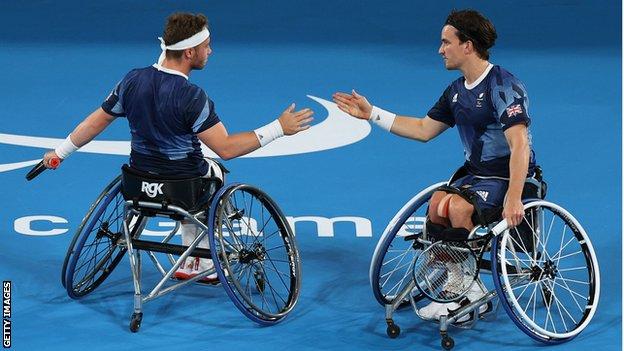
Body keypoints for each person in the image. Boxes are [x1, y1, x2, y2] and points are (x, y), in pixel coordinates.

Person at [42, 12, 314, 283]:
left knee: (197, 170)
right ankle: (200, 259)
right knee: (216, 171)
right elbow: (227, 148)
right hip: (183, 187)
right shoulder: (192, 97)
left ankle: (193, 256)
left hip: (137, 183)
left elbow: (95, 122)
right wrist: (279, 128)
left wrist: (59, 153)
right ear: (189, 52)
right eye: (206, 46)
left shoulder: (131, 81)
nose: (211, 50)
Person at [333, 9, 535, 322]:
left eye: (446, 42)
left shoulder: (503, 86)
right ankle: (463, 284)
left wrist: (514, 196)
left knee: (456, 208)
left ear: (467, 45)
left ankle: (469, 294)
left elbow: (520, 144)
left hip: (507, 178)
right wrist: (372, 113)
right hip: (475, 176)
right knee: (438, 204)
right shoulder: (456, 92)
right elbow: (423, 130)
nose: (440, 50)